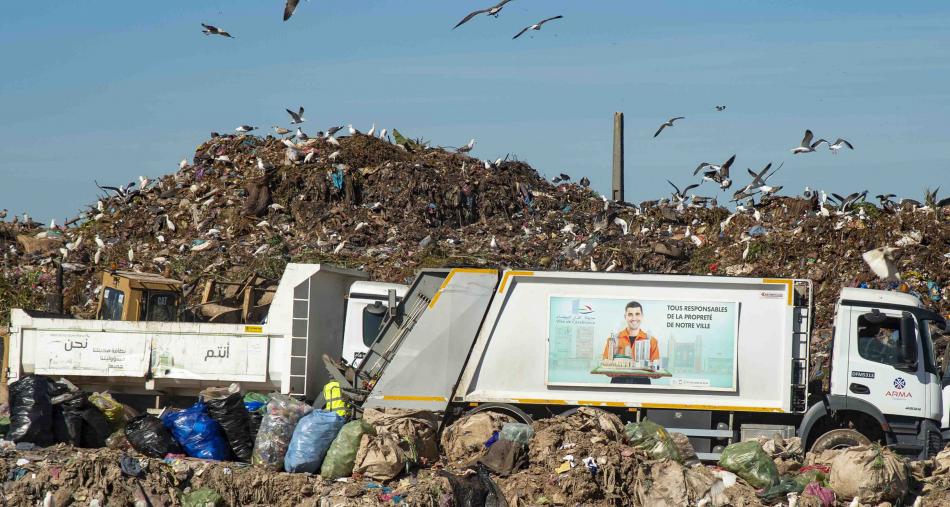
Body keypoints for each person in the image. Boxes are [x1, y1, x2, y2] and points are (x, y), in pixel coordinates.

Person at [602, 301, 660, 385]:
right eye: (630, 314)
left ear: (642, 316)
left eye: (637, 314)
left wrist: (656, 372)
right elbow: (605, 364)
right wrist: (609, 371)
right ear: (625, 316)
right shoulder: (613, 340)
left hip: (642, 385)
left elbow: (656, 367)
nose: (634, 318)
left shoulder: (652, 341)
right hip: (618, 384)